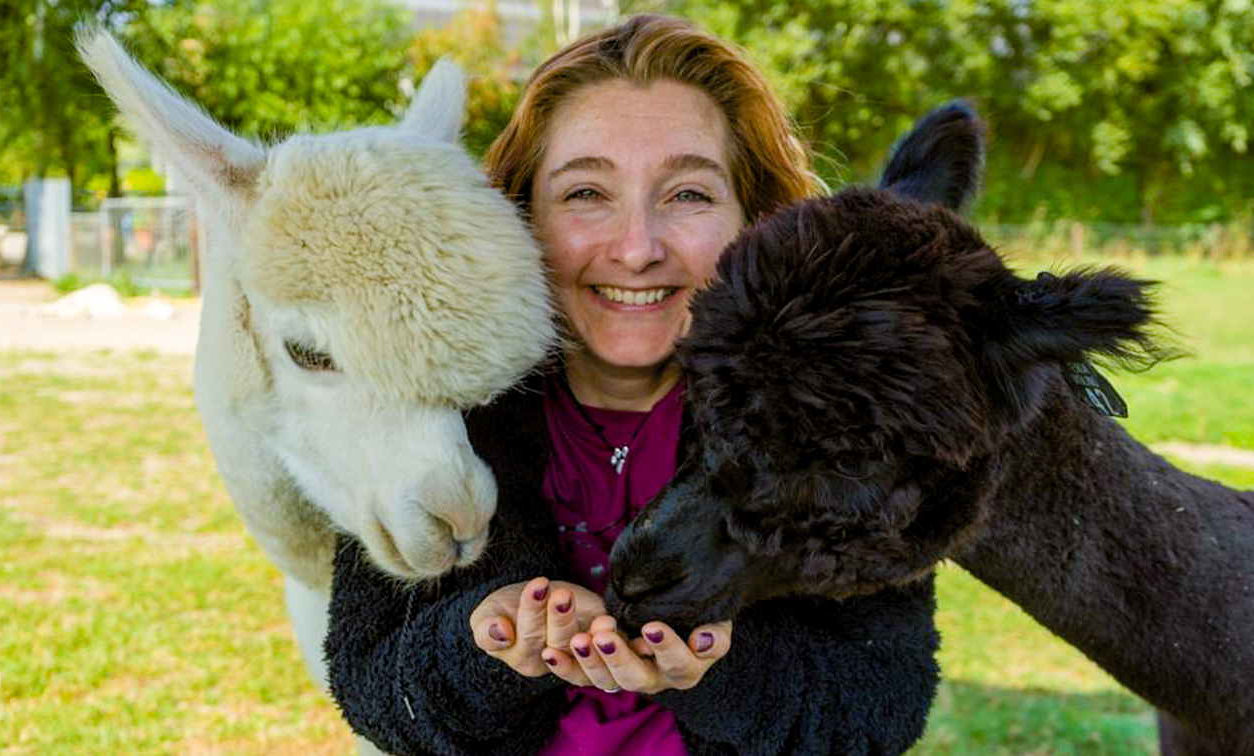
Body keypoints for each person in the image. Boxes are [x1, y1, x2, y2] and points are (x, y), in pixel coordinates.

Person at [326, 14, 940, 755]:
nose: (638, 248)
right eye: (587, 193)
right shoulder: (433, 412)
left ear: (758, 221)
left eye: (688, 195)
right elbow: (372, 682)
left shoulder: (839, 422)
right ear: (519, 214)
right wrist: (484, 644)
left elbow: (881, 708)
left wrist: (722, 672)